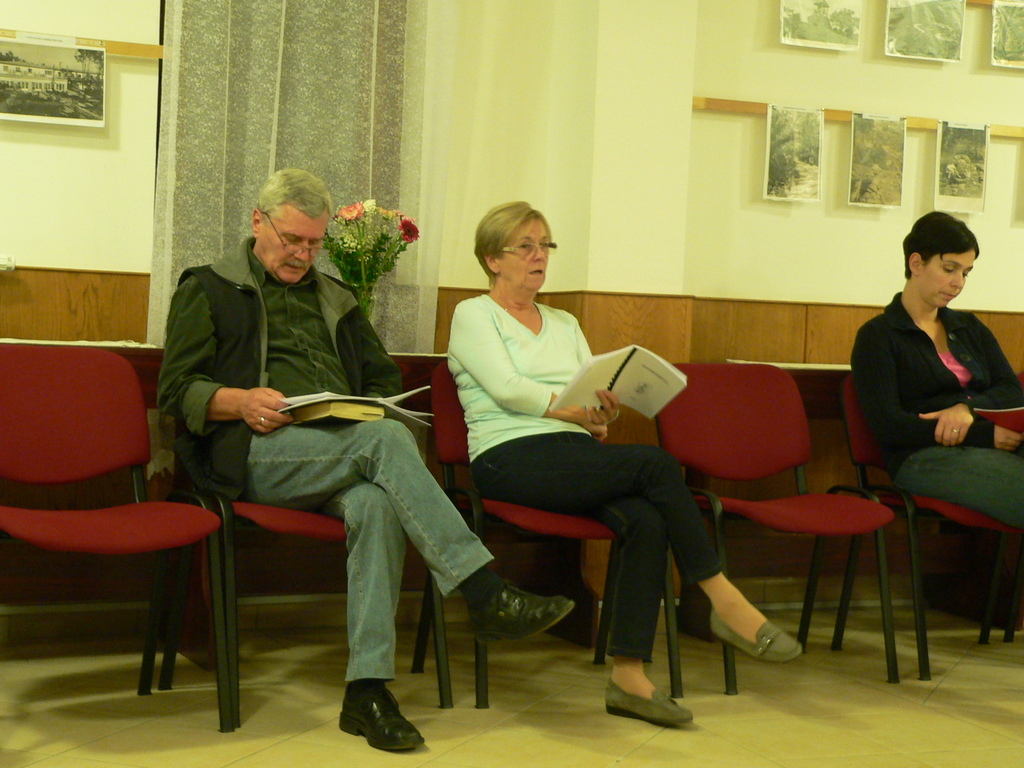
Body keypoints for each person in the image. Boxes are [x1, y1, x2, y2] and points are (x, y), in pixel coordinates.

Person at [157, 170, 575, 752]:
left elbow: (381, 378)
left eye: (314, 243)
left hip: (340, 450)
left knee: (377, 502)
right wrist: (239, 401)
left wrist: (370, 406)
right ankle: (482, 591)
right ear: (258, 222)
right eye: (292, 240)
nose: (303, 254)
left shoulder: (336, 297)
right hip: (251, 452)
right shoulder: (208, 287)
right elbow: (176, 390)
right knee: (383, 443)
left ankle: (367, 692)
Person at [446, 201, 801, 728]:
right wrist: (571, 411)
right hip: (508, 456)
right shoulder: (474, 313)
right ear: (492, 259)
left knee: (647, 518)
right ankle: (723, 599)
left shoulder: (564, 322)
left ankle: (629, 679)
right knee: (657, 464)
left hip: (571, 452)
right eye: (525, 246)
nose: (539, 256)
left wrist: (598, 414)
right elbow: (508, 389)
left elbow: (583, 395)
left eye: (545, 245)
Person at [852, 211, 1024, 525]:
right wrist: (983, 434)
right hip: (921, 456)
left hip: (992, 445)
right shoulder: (878, 336)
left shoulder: (969, 327)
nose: (958, 283)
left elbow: (1012, 390)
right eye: (949, 269)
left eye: (966, 272)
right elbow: (890, 426)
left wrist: (966, 409)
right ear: (916, 263)